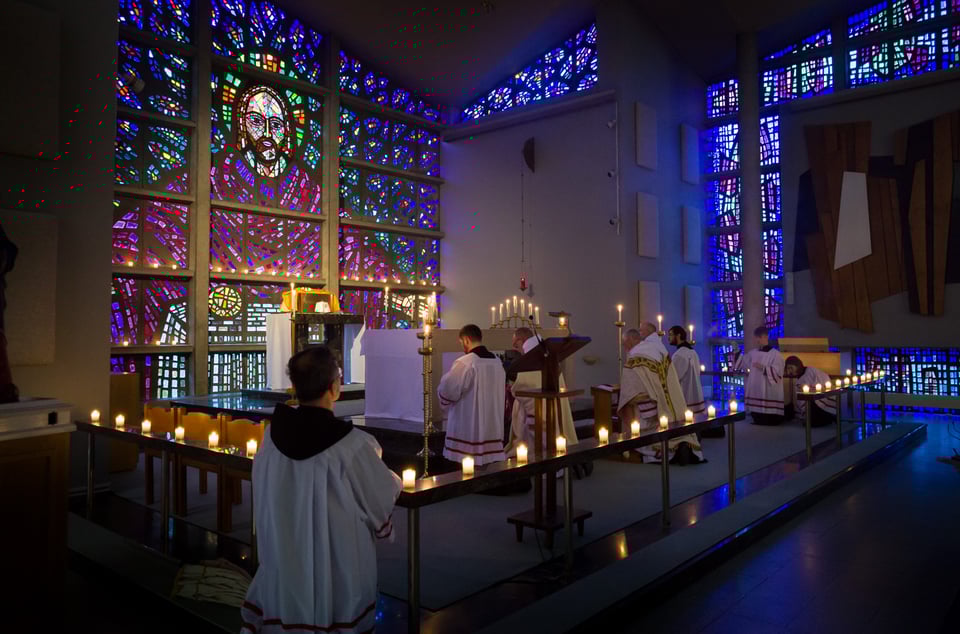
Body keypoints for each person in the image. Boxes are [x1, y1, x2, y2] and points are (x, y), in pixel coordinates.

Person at [241, 345, 401, 634]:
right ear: (334, 387)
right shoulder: (351, 445)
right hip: (336, 564)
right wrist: (394, 480)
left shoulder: (271, 436)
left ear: (294, 386)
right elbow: (379, 498)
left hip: (283, 554)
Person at [618, 323, 704, 465]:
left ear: (632, 340)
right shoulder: (660, 349)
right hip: (670, 400)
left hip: (650, 403)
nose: (625, 348)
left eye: (625, 343)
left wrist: (626, 400)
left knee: (645, 432)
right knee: (669, 422)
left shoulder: (635, 355)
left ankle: (667, 452)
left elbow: (631, 386)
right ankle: (683, 445)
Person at [505, 327, 579, 459]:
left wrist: (513, 389)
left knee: (536, 435)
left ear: (521, 340)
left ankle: (541, 463)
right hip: (554, 403)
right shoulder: (547, 352)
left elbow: (523, 387)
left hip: (540, 407)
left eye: (516, 344)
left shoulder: (531, 358)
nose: (515, 348)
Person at [438, 324, 506, 466]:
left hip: (468, 425)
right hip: (492, 422)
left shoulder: (466, 362)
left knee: (467, 463)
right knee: (488, 464)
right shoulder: (497, 361)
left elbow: (449, 390)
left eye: (461, 342)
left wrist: (442, 387)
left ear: (467, 340)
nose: (462, 346)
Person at [733, 326, 786, 425]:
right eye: (756, 337)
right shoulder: (753, 353)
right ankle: (757, 418)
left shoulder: (775, 354)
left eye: (758, 337)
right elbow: (743, 363)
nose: (756, 340)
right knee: (757, 411)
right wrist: (737, 352)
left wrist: (764, 368)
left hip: (768, 386)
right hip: (756, 385)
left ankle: (770, 420)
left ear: (765, 337)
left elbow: (779, 371)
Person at [784, 356, 836, 427]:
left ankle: (827, 418)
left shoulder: (811, 371)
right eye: (788, 368)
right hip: (813, 402)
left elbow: (821, 384)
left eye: (791, 368)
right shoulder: (800, 378)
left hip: (820, 399)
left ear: (797, 366)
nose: (790, 371)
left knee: (812, 421)